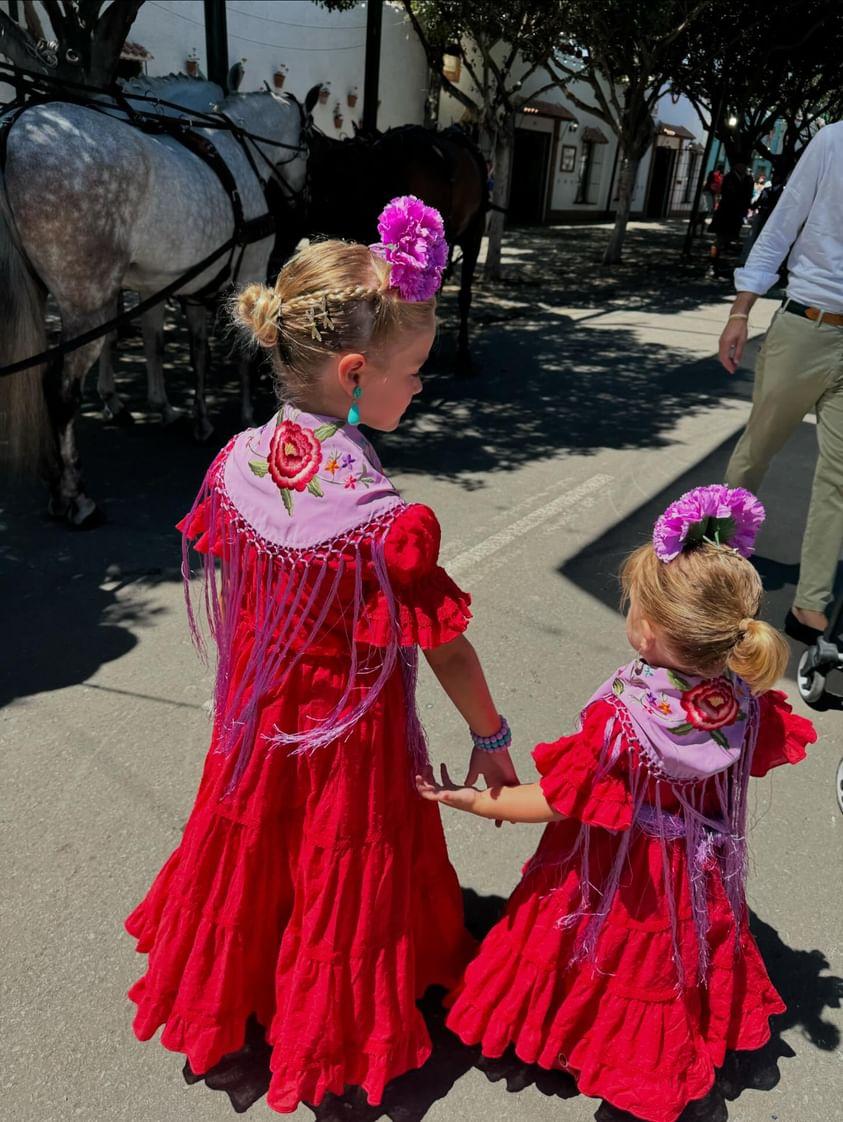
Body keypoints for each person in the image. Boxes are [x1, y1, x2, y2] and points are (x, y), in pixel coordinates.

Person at [124, 197, 518, 1113]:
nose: (418, 386)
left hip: (257, 714)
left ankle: (244, 985)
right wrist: (490, 736)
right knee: (340, 858)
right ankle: (331, 1031)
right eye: (411, 371)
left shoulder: (238, 461)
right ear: (353, 372)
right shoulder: (381, 521)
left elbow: (251, 579)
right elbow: (448, 650)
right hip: (348, 733)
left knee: (261, 843)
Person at [418, 485, 817, 1122]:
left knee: (602, 945)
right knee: (672, 954)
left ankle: (615, 1055)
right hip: (693, 863)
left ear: (647, 630)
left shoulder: (623, 721)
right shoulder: (743, 695)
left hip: (616, 865)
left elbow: (554, 801)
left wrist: (471, 799)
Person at [719, 121, 843, 642]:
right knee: (758, 448)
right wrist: (741, 309)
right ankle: (717, 559)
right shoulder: (833, 141)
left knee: (840, 477)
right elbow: (783, 223)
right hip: (806, 325)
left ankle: (810, 604)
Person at [709, 160, 754, 275]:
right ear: (736, 165)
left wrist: (745, 209)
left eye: (745, 164)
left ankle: (719, 264)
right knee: (719, 239)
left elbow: (748, 196)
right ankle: (712, 265)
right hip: (725, 213)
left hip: (737, 214)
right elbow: (729, 194)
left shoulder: (748, 179)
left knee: (729, 238)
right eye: (742, 164)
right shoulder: (729, 178)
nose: (744, 167)